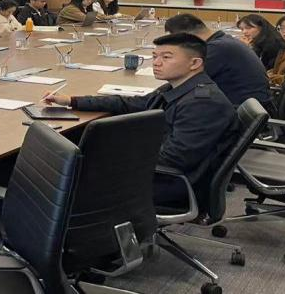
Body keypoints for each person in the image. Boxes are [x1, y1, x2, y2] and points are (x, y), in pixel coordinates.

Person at [47, 33, 239, 207]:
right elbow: (131, 103)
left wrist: (109, 159)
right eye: (154, 56)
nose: (156, 63)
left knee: (60, 174)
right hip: (156, 172)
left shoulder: (203, 104)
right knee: (69, 157)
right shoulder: (178, 87)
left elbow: (174, 160)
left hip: (170, 184)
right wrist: (72, 100)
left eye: (166, 57)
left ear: (195, 63)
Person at [164, 13, 273, 109]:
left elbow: (185, 81)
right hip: (248, 105)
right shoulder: (224, 41)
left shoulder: (217, 48)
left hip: (241, 111)